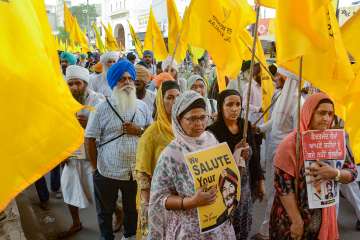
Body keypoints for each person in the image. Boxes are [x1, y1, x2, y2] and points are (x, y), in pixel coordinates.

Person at [148, 91, 236, 239]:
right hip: (189, 231)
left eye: (203, 117)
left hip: (218, 226)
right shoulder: (171, 154)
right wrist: (191, 202)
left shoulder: (211, 139)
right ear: (178, 119)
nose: (200, 124)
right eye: (192, 119)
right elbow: (159, 198)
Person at [269, 93, 358, 240]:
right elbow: (283, 187)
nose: (326, 118)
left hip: (324, 217)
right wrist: (296, 221)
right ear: (309, 112)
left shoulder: (335, 141)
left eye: (330, 114)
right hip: (292, 219)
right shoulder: (291, 144)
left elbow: (352, 172)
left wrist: (335, 173)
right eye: (321, 113)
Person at [85, 60, 152, 240]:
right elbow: (89, 138)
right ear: (114, 82)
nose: (128, 82)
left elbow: (150, 134)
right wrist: (94, 169)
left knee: (133, 210)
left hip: (134, 172)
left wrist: (136, 130)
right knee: (105, 212)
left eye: (130, 78)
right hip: (107, 171)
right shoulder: (101, 108)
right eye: (122, 79)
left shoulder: (143, 107)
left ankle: (129, 237)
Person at [207, 89, 264, 240]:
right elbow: (213, 166)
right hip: (225, 191)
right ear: (221, 107)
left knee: (245, 224)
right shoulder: (212, 132)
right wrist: (235, 153)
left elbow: (255, 158)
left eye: (238, 104)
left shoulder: (245, 126)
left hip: (246, 188)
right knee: (227, 228)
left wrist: (260, 182)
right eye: (230, 104)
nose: (235, 109)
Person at [59, 65, 104, 238]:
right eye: (70, 84)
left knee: (98, 192)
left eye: (78, 83)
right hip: (71, 155)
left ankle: (118, 212)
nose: (74, 87)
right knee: (69, 189)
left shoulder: (97, 101)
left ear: (85, 84)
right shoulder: (63, 102)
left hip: (92, 156)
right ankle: (76, 222)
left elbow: (106, 127)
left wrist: (88, 125)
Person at [252, 67, 298, 240]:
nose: (275, 77)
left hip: (285, 157)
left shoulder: (297, 101)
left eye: (279, 75)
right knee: (272, 192)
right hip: (272, 151)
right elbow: (274, 121)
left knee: (278, 193)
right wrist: (259, 128)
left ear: (288, 79)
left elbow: (296, 135)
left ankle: (267, 232)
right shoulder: (280, 96)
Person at [135, 81, 181, 239]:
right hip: (157, 200)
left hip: (182, 199)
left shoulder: (185, 129)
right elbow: (142, 173)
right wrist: (146, 206)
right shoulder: (151, 134)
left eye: (178, 97)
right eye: (169, 97)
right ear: (161, 101)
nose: (174, 102)